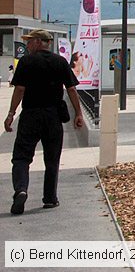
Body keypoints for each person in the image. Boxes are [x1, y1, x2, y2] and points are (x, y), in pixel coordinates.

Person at [5, 29, 85, 215]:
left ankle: (21, 190)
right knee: (52, 158)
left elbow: (19, 89)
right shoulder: (60, 61)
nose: (27, 45)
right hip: (53, 116)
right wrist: (78, 113)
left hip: (30, 115)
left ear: (38, 42)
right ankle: (50, 198)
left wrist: (11, 114)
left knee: (21, 157)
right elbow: (71, 89)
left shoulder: (26, 62)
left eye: (29, 41)